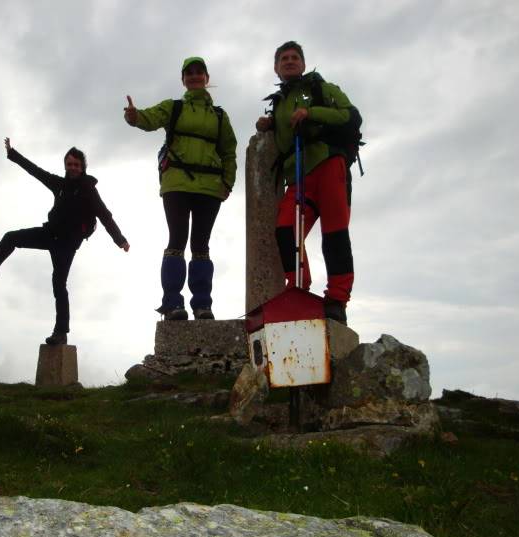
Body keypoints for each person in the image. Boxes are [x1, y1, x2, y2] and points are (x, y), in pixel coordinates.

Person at [0, 138, 129, 345]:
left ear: (83, 167)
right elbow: (35, 171)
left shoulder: (88, 190)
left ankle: (61, 333)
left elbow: (105, 215)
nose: (73, 168)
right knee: (11, 238)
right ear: (65, 165)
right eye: (69, 164)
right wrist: (13, 154)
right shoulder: (59, 184)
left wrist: (120, 239)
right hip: (49, 234)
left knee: (58, 284)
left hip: (67, 244)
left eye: (77, 165)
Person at [124, 56, 237, 320]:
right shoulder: (173, 107)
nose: (195, 77)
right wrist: (134, 116)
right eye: (190, 73)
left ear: (207, 78)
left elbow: (229, 152)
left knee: (201, 244)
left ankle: (202, 305)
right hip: (176, 183)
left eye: (199, 73)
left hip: (210, 187)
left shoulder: (220, 116)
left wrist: (227, 182)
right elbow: (149, 118)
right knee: (177, 240)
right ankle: (173, 304)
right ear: (183, 80)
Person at [256, 41, 360, 325]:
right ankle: (298, 287)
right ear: (276, 68)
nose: (290, 62)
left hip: (328, 163)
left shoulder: (320, 88)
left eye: (294, 57)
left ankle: (337, 300)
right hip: (300, 176)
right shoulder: (278, 104)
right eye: (284, 59)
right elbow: (283, 134)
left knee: (335, 233)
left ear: (302, 63)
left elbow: (350, 115)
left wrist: (311, 112)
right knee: (286, 229)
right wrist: (269, 124)